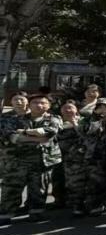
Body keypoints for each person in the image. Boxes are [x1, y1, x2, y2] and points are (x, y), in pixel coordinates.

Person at [0, 93, 62, 223]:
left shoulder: (54, 119)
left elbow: (48, 134)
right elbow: (12, 137)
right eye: (35, 102)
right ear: (29, 105)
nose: (39, 105)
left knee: (39, 188)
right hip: (17, 160)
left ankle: (36, 212)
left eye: (43, 103)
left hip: (42, 160)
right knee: (11, 187)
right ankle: (6, 213)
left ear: (49, 105)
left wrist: (23, 133)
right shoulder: (15, 120)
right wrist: (36, 138)